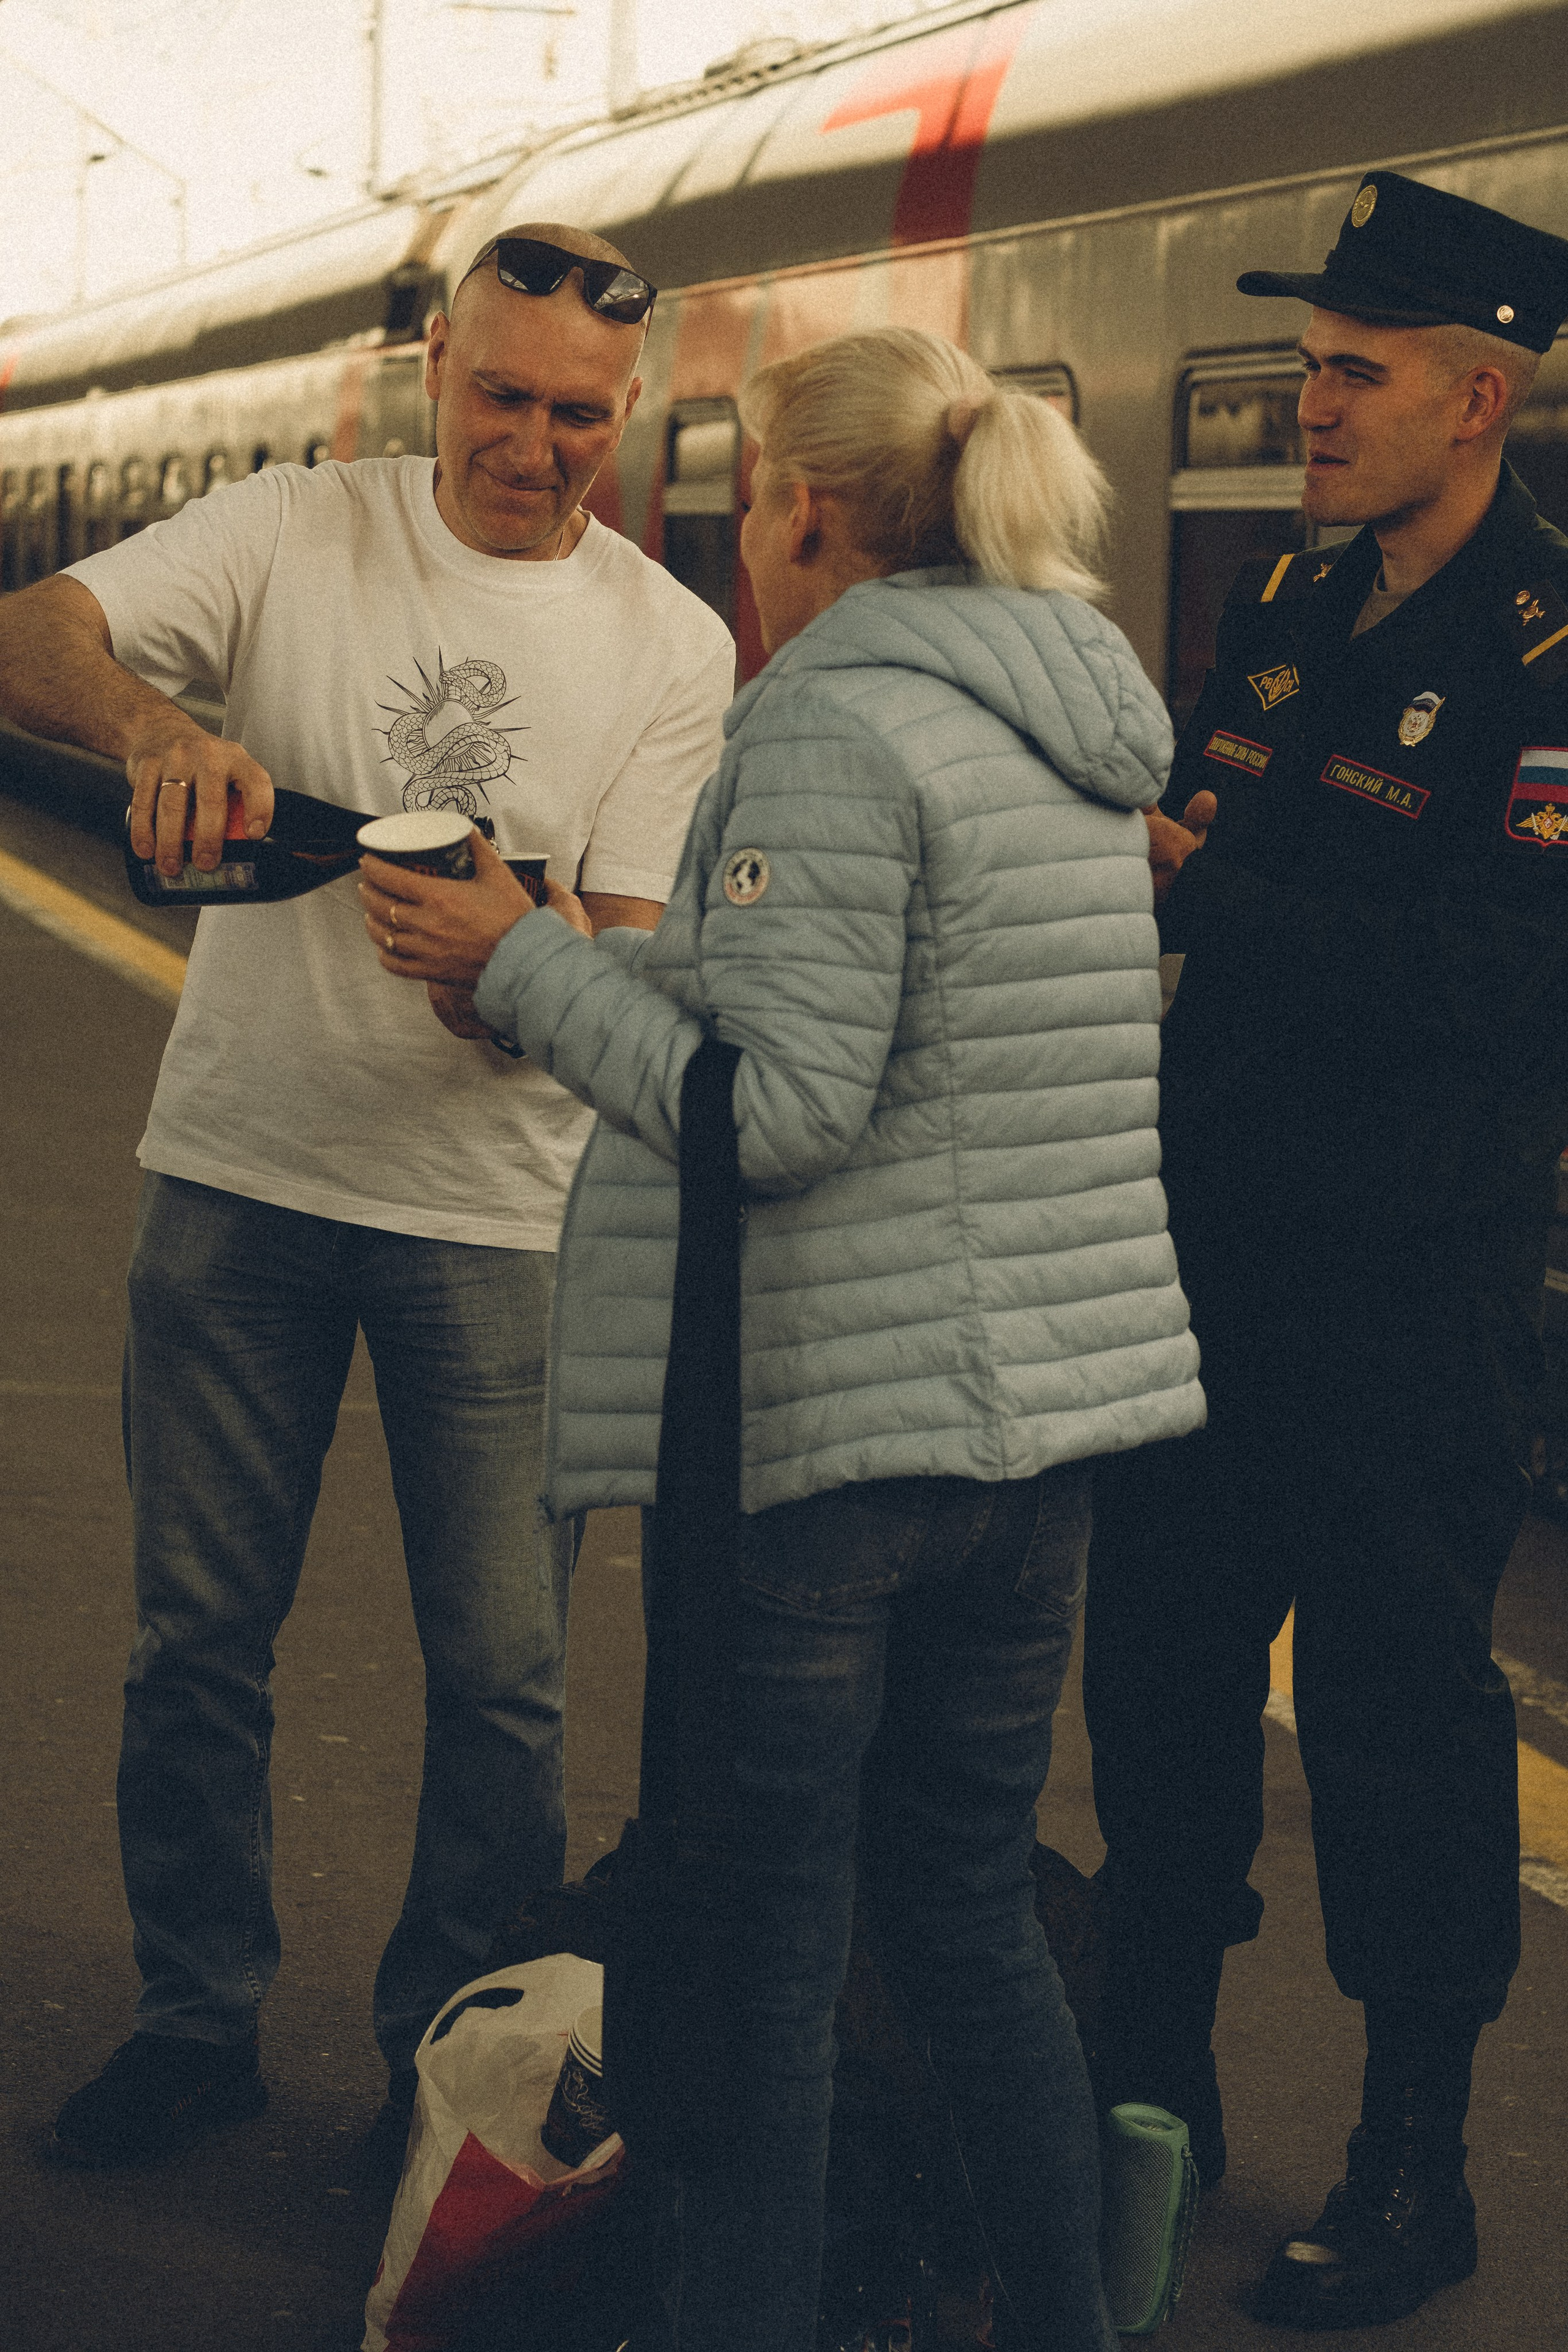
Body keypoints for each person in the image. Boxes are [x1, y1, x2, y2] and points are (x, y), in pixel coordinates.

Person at [354, 324, 1205, 2352]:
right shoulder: (1074, 719)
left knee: (759, 1965)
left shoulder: (833, 722)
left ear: (800, 506)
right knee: (974, 1917)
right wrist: (592, 971)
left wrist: (529, 967)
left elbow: (783, 1112)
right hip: (1035, 1450)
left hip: (828, 1454)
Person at [0, 223, 734, 2171]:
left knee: (504, 1678)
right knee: (195, 1641)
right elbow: (29, 629)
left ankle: (443, 2055)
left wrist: (528, 969)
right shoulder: (292, 526)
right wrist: (154, 725)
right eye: (502, 396)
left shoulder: (677, 643)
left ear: (629, 411)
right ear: (434, 370)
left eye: (581, 413)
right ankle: (195, 2018)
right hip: (240, 1173)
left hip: (505, 1221)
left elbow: (640, 964)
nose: (537, 441)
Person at [1081, 171, 1568, 2329]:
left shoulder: (1551, 656)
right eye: (1309, 365)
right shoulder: (1285, 597)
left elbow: (1509, 979)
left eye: (1355, 373)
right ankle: (1144, 2105)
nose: (1312, 402)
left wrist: (1207, 893)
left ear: (1480, 397)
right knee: (1166, 1703)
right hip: (1207, 1274)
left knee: (1397, 1734)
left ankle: (1410, 2165)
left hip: (1408, 1312)